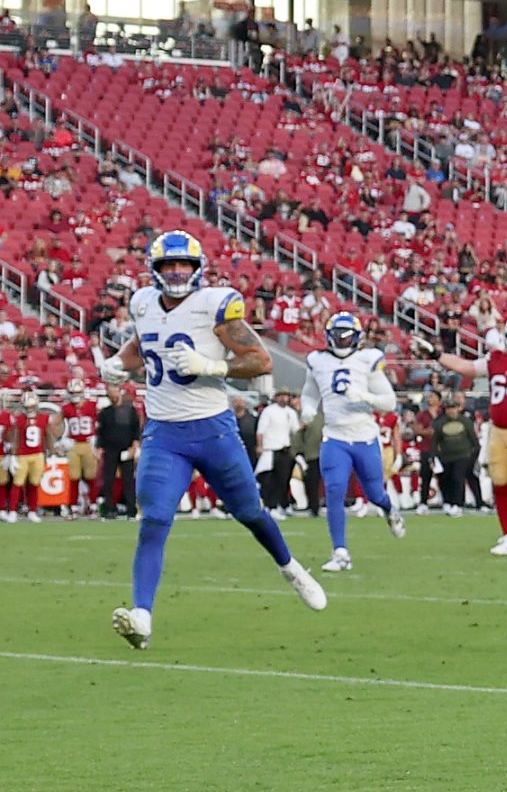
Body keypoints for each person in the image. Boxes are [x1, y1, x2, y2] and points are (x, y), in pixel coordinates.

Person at [108, 231, 327, 648]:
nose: (177, 272)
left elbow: (261, 361)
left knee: (250, 512)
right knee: (153, 520)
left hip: (213, 429)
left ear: (197, 268)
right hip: (164, 432)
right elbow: (142, 344)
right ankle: (142, 616)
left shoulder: (215, 304)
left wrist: (212, 366)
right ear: (155, 269)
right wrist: (118, 363)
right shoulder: (143, 303)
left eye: (184, 265)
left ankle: (292, 569)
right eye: (169, 265)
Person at [432, 312, 507, 556]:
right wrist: (437, 355)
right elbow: (465, 367)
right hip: (498, 430)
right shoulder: (495, 359)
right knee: (500, 483)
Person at [301, 311, 407, 571]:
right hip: (335, 436)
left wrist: (365, 397)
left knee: (375, 493)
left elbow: (389, 402)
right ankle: (340, 552)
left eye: (347, 336)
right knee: (334, 490)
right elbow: (310, 392)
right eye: (338, 336)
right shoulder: (317, 360)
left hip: (364, 437)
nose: (342, 341)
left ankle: (389, 510)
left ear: (357, 338)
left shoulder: (367, 359)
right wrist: (308, 408)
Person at [1, 390, 49, 521]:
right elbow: (13, 436)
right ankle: (12, 511)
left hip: (38, 454)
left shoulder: (43, 417)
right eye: (27, 406)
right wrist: (12, 454)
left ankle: (32, 511)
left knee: (34, 484)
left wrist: (49, 452)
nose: (29, 409)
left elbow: (46, 436)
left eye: (31, 406)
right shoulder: (19, 419)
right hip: (22, 455)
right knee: (17, 484)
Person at [254, 384, 300, 515]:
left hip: (285, 449)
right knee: (270, 480)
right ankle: (271, 506)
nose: (283, 399)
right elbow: (260, 431)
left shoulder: (291, 413)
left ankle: (282, 505)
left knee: (283, 480)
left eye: (286, 396)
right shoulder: (269, 411)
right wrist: (260, 446)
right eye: (281, 396)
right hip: (270, 449)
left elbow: (295, 430)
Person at [97, 384, 142, 517]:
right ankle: (110, 509)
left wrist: (134, 445)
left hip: (126, 449)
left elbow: (136, 429)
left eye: (115, 392)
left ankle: (131, 509)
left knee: (128, 480)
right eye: (110, 393)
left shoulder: (130, 411)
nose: (113, 396)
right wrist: (99, 447)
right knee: (108, 480)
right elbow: (101, 432)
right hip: (110, 449)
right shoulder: (105, 413)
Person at [59, 380, 102, 516]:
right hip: (74, 444)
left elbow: (103, 423)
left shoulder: (93, 405)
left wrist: (98, 439)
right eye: (72, 392)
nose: (75, 395)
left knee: (91, 476)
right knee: (74, 476)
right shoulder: (66, 408)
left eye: (77, 392)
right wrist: (62, 439)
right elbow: (56, 423)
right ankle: (73, 505)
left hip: (89, 443)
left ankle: (93, 504)